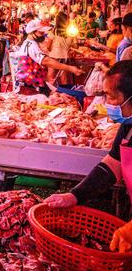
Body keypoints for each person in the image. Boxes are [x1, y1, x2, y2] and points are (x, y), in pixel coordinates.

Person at [44, 61, 132, 252]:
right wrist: (75, 195)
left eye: (111, 97)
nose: (107, 103)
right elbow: (112, 165)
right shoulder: (128, 127)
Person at [14, 19, 83, 95]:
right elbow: (46, 61)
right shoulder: (31, 45)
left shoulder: (29, 43)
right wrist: (70, 68)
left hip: (33, 83)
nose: (43, 35)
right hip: (29, 86)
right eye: (41, 32)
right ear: (32, 32)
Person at [46, 12, 76, 85]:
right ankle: (64, 94)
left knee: (51, 78)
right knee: (64, 80)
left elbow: (48, 46)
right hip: (64, 57)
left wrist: (51, 50)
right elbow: (74, 45)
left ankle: (51, 94)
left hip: (54, 56)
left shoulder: (54, 31)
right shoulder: (71, 31)